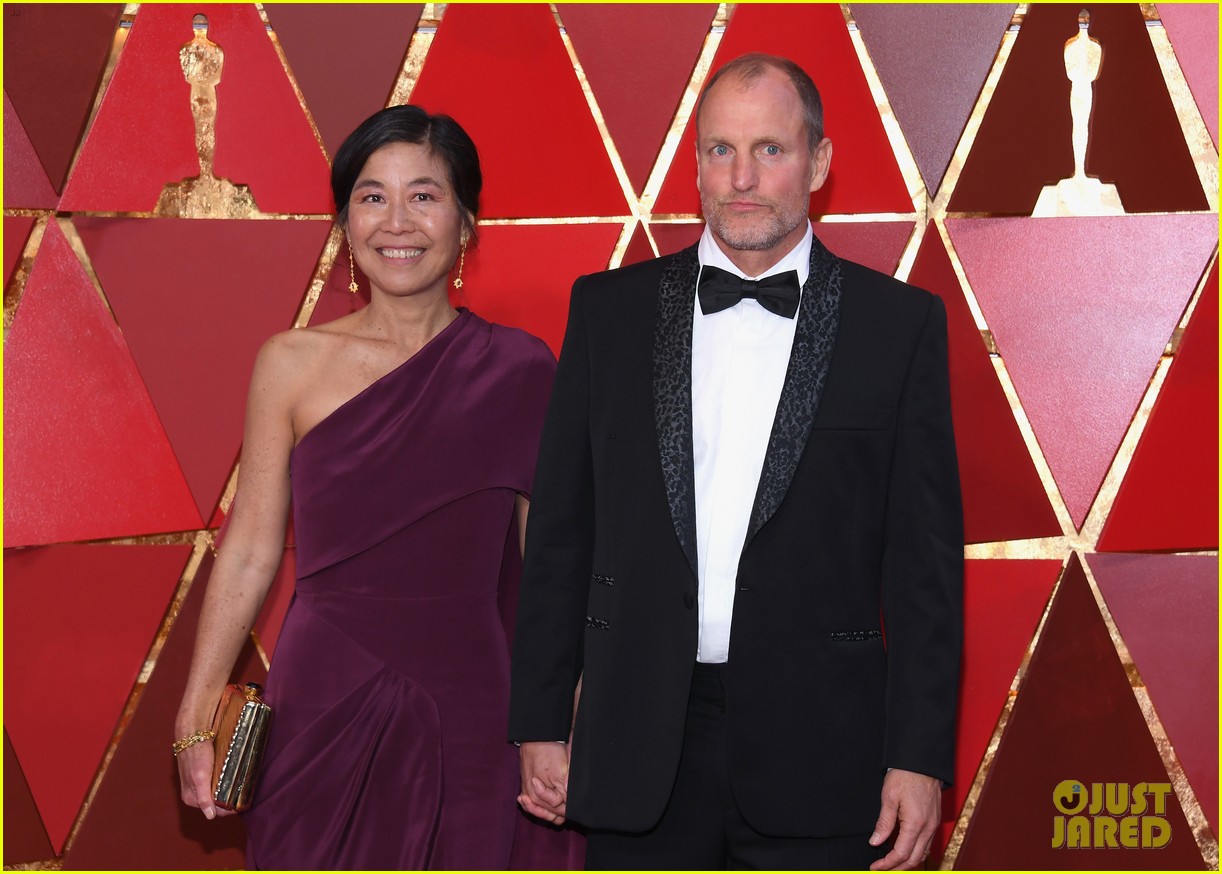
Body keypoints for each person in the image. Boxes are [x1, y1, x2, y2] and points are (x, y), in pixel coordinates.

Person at [509, 53, 963, 871]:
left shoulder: (898, 327)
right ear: (696, 165)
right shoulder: (608, 314)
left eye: (771, 150)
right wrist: (541, 719)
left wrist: (920, 755)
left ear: (818, 163)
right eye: (721, 150)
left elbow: (923, 570)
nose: (742, 177)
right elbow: (561, 538)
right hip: (636, 742)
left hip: (823, 752)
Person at [174, 105, 580, 869]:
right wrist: (198, 708)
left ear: (466, 224)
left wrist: (557, 721)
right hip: (321, 695)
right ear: (344, 224)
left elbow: (549, 571)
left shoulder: (523, 370)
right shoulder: (289, 364)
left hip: (474, 700)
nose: (397, 221)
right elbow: (253, 547)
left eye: (424, 196)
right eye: (371, 196)